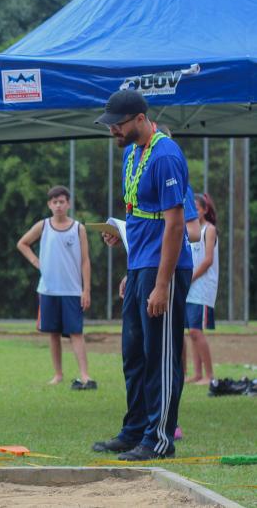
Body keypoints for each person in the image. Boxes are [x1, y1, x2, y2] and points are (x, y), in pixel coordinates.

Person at [92, 89, 193, 461]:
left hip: (163, 269)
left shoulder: (166, 155)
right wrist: (126, 255)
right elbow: (139, 217)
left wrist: (162, 283)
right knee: (133, 354)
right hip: (140, 266)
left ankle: (159, 439)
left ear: (139, 119)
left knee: (161, 356)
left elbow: (175, 225)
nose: (112, 131)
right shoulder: (133, 154)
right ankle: (134, 430)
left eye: (117, 125)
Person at [17, 185, 94, 390]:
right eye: (54, 202)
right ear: (49, 205)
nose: (58, 205)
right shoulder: (43, 226)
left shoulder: (79, 228)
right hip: (49, 290)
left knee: (76, 333)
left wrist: (86, 290)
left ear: (68, 204)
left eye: (62, 201)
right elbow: (22, 243)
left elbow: (85, 261)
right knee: (53, 333)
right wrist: (36, 261)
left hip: (72, 290)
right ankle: (58, 374)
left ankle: (85, 375)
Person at [184, 193, 218, 385]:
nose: (194, 212)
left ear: (205, 210)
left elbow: (207, 261)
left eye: (197, 208)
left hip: (202, 287)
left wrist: (189, 278)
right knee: (191, 332)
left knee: (196, 332)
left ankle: (209, 375)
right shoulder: (189, 230)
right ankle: (197, 374)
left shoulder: (209, 230)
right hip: (191, 287)